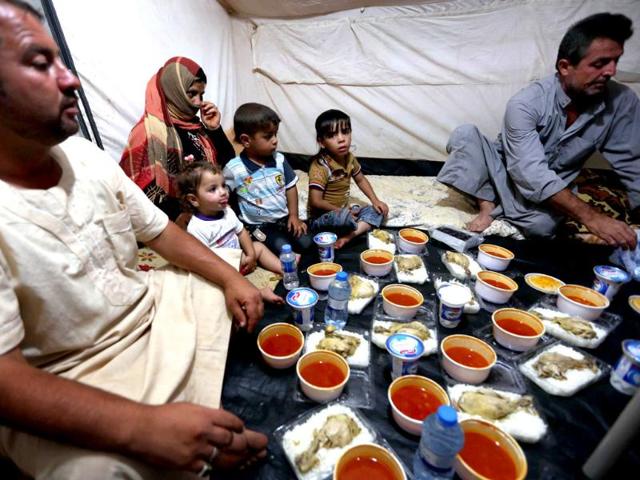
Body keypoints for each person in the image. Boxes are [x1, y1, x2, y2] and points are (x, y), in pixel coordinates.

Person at [0, 2, 267, 478]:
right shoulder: (148, 134)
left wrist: (231, 278)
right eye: (41, 64)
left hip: (147, 308)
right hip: (70, 376)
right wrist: (145, 429)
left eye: (62, 61)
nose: (71, 79)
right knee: (96, 472)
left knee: (233, 280)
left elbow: (159, 232)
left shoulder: (82, 153)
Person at [437, 12, 639, 250]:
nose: (611, 72)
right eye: (599, 64)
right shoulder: (526, 103)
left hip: (551, 184)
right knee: (465, 135)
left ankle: (501, 205)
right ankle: (487, 206)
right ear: (565, 66)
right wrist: (592, 217)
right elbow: (528, 172)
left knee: (542, 227)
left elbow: (633, 162)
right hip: (507, 171)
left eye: (615, 61)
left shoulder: (621, 101)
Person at [120, 56, 236, 223]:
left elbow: (226, 163)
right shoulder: (150, 133)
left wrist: (214, 128)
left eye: (201, 95)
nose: (198, 102)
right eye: (192, 94)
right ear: (174, 91)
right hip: (175, 223)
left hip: (211, 215)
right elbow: (141, 192)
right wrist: (186, 217)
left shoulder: (196, 127)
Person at [177, 161, 284, 304]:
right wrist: (229, 275)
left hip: (242, 261)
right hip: (222, 272)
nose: (223, 192)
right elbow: (205, 262)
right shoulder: (197, 228)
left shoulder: (227, 211)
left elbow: (241, 232)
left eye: (223, 185)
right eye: (213, 189)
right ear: (194, 199)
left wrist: (251, 254)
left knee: (258, 246)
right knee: (213, 290)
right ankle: (259, 293)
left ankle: (285, 269)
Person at [223, 102, 313, 256]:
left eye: (275, 134)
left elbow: (290, 187)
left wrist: (293, 216)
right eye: (268, 136)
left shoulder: (279, 160)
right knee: (284, 249)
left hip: (284, 218)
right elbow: (223, 196)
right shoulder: (234, 169)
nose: (275, 140)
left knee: (308, 243)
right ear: (246, 140)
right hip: (259, 226)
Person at [307, 109, 389, 249]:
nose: (341, 139)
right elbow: (316, 201)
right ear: (321, 142)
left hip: (345, 212)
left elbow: (361, 179)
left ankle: (348, 237)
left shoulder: (350, 158)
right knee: (343, 218)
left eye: (345, 132)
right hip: (324, 217)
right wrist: (341, 212)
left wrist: (375, 200)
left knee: (378, 210)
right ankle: (351, 223)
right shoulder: (320, 167)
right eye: (332, 135)